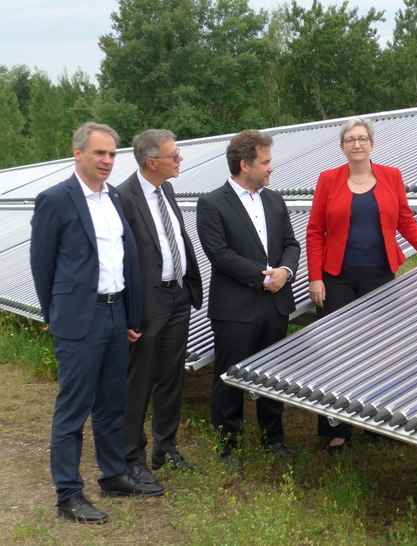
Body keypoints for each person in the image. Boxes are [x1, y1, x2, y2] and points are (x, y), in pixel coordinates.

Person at [29, 122, 164, 525]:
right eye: (99, 153)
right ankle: (68, 493)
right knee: (73, 408)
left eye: (111, 154)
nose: (107, 161)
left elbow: (128, 261)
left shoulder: (116, 199)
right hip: (78, 317)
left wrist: (129, 315)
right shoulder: (55, 199)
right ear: (78, 153)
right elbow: (42, 264)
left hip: (114, 313)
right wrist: (54, 314)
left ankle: (113, 476)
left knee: (111, 404)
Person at [306, 116, 417, 453]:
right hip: (337, 277)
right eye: (350, 139)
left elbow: (405, 219)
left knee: (380, 348)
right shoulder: (328, 179)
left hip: (380, 275)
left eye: (362, 138)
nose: (356, 144)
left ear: (372, 144)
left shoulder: (391, 176)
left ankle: (377, 419)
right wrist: (315, 276)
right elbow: (316, 231)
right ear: (342, 147)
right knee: (336, 350)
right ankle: (338, 427)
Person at [196, 130, 301, 464]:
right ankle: (229, 446)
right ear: (245, 164)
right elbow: (219, 253)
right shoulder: (212, 203)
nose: (271, 168)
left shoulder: (274, 200)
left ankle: (274, 440)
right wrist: (263, 277)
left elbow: (291, 244)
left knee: (273, 374)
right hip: (236, 307)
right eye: (265, 162)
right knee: (229, 377)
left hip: (276, 303)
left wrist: (285, 272)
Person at [117, 129, 203, 487]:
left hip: (177, 295)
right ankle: (130, 458)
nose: (179, 159)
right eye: (174, 156)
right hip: (147, 303)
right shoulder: (122, 197)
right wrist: (125, 312)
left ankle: (165, 448)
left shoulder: (166, 188)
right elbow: (116, 258)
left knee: (171, 376)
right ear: (152, 162)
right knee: (139, 381)